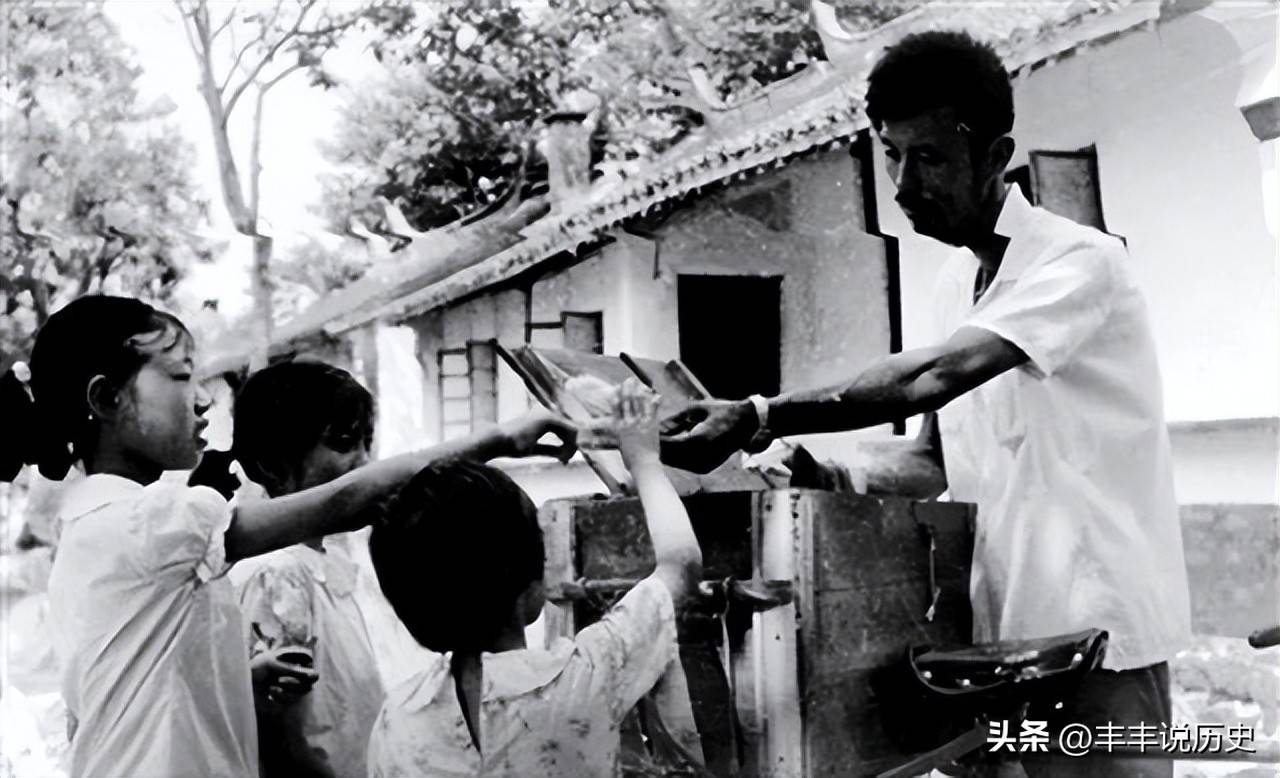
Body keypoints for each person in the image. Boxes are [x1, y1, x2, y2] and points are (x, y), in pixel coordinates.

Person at [661, 31, 1190, 777]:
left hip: (1097, 634)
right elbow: (929, 461)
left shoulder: (1079, 261)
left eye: (931, 158)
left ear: (996, 155)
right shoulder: (952, 285)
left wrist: (758, 412)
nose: (905, 184)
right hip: (999, 640)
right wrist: (819, 468)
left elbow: (930, 379)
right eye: (892, 155)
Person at [0, 294, 576, 778]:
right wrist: (500, 439)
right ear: (106, 399)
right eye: (180, 376)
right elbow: (350, 500)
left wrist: (236, 677)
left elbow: (132, 678)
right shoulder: (150, 521)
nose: (203, 398)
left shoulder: (97, 521)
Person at [366, 379, 702, 778]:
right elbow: (681, 565)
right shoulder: (584, 676)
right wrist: (644, 459)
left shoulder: (397, 719)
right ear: (530, 585)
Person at [228, 361, 383, 778]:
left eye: (367, 443)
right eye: (343, 443)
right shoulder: (279, 576)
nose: (365, 462)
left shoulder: (325, 563)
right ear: (272, 464)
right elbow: (283, 748)